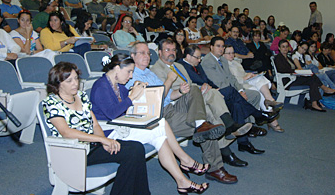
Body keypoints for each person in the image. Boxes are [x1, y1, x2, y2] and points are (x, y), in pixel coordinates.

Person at [90, 54, 209, 194]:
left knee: (160, 137)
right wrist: (132, 95)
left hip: (122, 126)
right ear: (117, 68)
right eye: (128, 71)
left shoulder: (118, 85)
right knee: (160, 125)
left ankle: (182, 180)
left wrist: (139, 92)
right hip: (110, 132)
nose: (130, 76)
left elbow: (127, 107)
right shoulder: (101, 86)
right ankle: (185, 162)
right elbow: (112, 113)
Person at [126, 42, 238, 184]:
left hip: (171, 107)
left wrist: (180, 91)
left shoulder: (148, 73)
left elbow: (167, 96)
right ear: (132, 56)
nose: (147, 56)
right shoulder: (131, 76)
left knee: (194, 89)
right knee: (208, 126)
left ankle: (200, 123)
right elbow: (155, 101)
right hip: (158, 116)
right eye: (142, 53)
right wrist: (169, 79)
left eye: (148, 53)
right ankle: (215, 168)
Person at [43, 62, 150, 195]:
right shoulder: (51, 103)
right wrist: (102, 140)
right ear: (58, 83)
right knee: (132, 153)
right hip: (73, 152)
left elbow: (95, 124)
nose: (75, 83)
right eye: (69, 80)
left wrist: (103, 141)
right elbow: (66, 132)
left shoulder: (81, 96)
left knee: (136, 148)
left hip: (92, 147)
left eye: (76, 78)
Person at [201, 37, 279, 153]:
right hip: (218, 93)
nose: (221, 49)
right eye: (218, 46)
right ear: (211, 47)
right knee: (234, 96)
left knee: (238, 105)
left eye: (222, 46)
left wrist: (241, 91)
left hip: (230, 91)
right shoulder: (207, 61)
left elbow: (232, 78)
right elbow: (219, 83)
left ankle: (243, 142)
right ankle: (258, 115)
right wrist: (235, 92)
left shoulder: (222, 60)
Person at [223, 45, 284, 133]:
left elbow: (243, 73)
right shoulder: (224, 65)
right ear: (223, 54)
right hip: (239, 85)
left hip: (246, 81)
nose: (231, 55)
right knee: (258, 91)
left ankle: (270, 100)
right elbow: (231, 81)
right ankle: (272, 118)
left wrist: (250, 75)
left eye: (233, 53)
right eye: (228, 53)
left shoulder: (236, 62)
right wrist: (244, 78)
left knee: (260, 78)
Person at [274, 39, 335, 112]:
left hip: (293, 78)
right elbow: (281, 70)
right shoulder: (278, 58)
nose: (285, 48)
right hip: (287, 81)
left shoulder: (288, 58)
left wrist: (299, 72)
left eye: (286, 46)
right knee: (312, 77)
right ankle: (324, 89)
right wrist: (295, 71)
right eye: (283, 47)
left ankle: (314, 102)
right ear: (279, 48)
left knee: (312, 78)